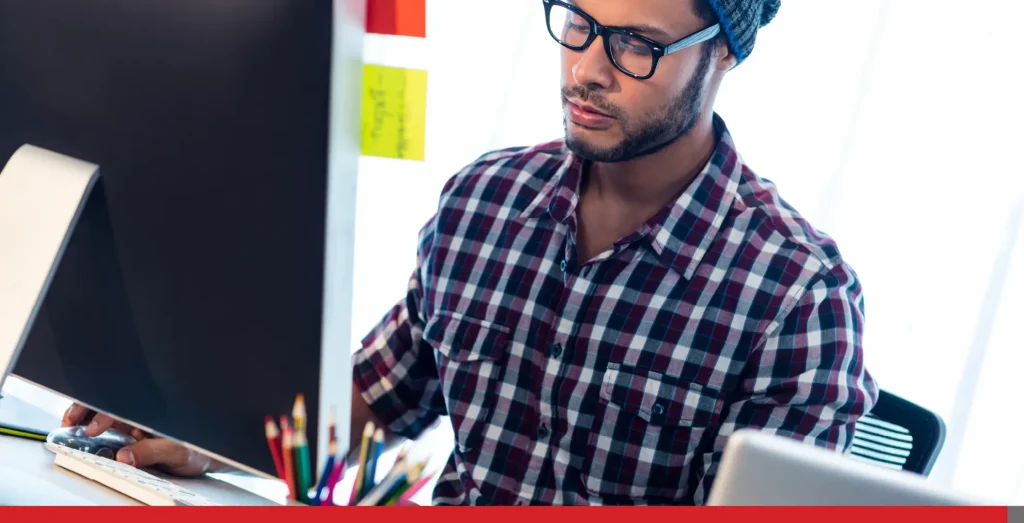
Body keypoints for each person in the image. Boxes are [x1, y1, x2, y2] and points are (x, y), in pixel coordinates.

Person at [65, 0, 879, 505]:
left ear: (724, 53)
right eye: (578, 24)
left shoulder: (797, 294)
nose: (588, 70)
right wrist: (203, 429)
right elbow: (372, 407)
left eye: (636, 45)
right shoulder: (486, 202)